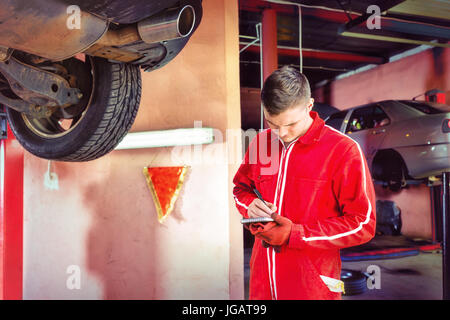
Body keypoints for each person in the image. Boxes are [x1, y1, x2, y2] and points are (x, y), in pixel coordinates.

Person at [232, 66, 376, 300]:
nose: (281, 133)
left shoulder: (343, 150)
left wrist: (295, 235)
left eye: (291, 124)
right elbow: (240, 189)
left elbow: (362, 224)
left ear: (309, 107)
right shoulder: (261, 143)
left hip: (314, 288)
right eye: (272, 123)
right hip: (262, 284)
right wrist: (249, 206)